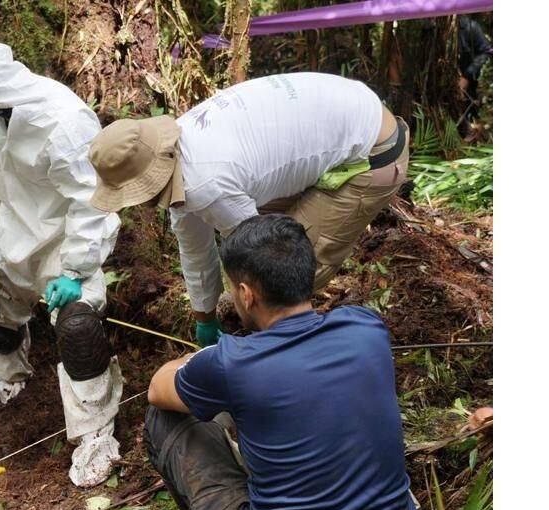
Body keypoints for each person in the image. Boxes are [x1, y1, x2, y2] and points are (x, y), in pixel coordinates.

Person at [145, 214, 424, 510]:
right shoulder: (366, 326)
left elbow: (157, 389)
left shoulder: (230, 363)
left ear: (246, 294)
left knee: (164, 416)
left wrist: (198, 358)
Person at [88, 72, 409, 347]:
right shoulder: (177, 151)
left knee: (288, 272)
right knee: (257, 276)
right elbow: (194, 246)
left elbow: (265, 257)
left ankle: (285, 351)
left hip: (373, 151)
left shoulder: (207, 183)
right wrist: (205, 319)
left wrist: (254, 320)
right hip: (349, 112)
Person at [0, 41, 123, 488]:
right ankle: (7, 375)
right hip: (14, 234)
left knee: (77, 327)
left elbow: (91, 199)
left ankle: (95, 430)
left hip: (64, 242)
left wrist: (75, 270)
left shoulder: (64, 119)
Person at [458, 15, 492, 138]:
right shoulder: (432, 27)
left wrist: (467, 76)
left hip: (471, 89)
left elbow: (486, 51)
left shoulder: (470, 27)